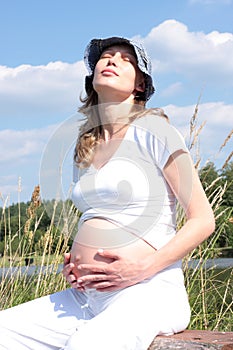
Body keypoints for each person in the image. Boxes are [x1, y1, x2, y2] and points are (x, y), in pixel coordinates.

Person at [0, 36, 215, 350]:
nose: (112, 60)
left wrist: (143, 267)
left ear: (140, 85)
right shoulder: (86, 146)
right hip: (84, 297)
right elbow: (98, 216)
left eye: (125, 59)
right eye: (106, 56)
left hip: (147, 291)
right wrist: (77, 262)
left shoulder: (156, 131)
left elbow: (203, 220)